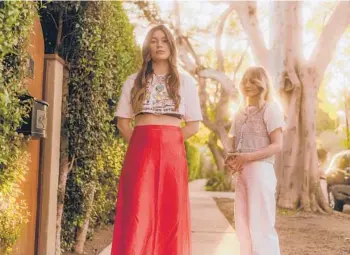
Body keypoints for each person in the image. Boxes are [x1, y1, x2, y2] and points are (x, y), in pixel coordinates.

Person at [111, 24, 202, 255]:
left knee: (171, 212)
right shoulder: (133, 81)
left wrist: (168, 141)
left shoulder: (186, 81)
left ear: (171, 46)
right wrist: (144, 143)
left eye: (164, 40)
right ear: (147, 47)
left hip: (173, 152)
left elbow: (193, 125)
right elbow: (123, 123)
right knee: (137, 209)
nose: (159, 44)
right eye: (154, 40)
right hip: (140, 151)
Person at [225, 66, 284, 255]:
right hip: (242, 174)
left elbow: (277, 145)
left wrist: (247, 157)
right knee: (242, 225)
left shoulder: (270, 109)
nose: (247, 84)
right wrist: (232, 158)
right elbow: (236, 146)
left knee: (261, 225)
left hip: (261, 171)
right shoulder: (240, 113)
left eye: (253, 80)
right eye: (244, 81)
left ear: (263, 83)